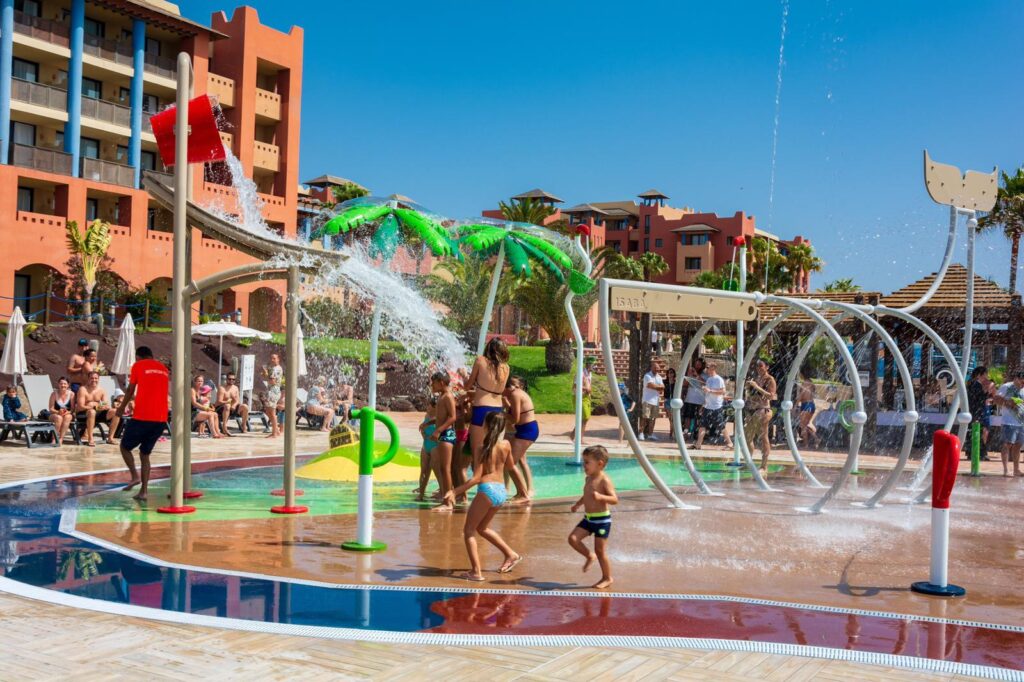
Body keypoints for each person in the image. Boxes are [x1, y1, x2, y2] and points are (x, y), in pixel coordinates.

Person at [443, 410, 523, 581]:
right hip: (501, 491)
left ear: (486, 425)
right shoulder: (506, 445)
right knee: (482, 528)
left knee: (469, 531)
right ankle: (511, 554)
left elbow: (477, 478)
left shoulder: (482, 447)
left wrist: (455, 491)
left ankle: (476, 572)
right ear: (502, 428)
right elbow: (510, 466)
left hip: (487, 490)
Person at [116, 346, 169, 502]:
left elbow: (130, 390)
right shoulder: (163, 369)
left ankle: (134, 476)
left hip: (143, 416)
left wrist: (120, 408)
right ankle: (144, 492)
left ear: (139, 357)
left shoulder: (138, 366)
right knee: (145, 454)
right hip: (160, 419)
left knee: (125, 447)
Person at [568, 445, 619, 590]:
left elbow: (615, 499)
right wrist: (578, 504)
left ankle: (607, 577)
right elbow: (586, 495)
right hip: (589, 518)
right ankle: (589, 556)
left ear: (600, 464)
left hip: (602, 521)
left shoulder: (604, 480)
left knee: (600, 551)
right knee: (573, 539)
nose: (584, 465)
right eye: (584, 462)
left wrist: (601, 496)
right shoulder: (588, 479)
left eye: (587, 462)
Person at [464, 338, 510, 464]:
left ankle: (480, 481)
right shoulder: (506, 368)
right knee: (493, 452)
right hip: (498, 410)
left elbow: (467, 386)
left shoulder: (480, 361)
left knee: (477, 454)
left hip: (481, 408)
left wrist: (463, 375)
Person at [427, 371, 457, 511]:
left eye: (433, 382)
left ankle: (448, 502)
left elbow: (452, 417)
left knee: (445, 468)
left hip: (446, 434)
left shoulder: (448, 397)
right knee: (442, 468)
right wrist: (428, 423)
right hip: (443, 434)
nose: (431, 385)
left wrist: (438, 431)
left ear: (442, 383)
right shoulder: (442, 396)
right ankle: (446, 498)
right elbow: (441, 417)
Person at [504, 376, 537, 503]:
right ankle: (521, 491)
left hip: (527, 430)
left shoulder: (515, 395)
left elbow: (515, 419)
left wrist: (501, 415)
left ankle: (523, 493)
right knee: (512, 461)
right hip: (525, 429)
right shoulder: (516, 393)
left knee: (509, 463)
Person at [747, 359, 777, 471]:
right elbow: (750, 395)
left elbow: (771, 396)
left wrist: (756, 387)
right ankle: (749, 462)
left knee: (763, 437)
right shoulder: (755, 379)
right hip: (752, 409)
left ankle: (764, 466)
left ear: (767, 367)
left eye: (761, 366)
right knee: (748, 436)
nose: (758, 368)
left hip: (763, 410)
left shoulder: (770, 379)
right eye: (757, 366)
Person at [695, 362, 733, 450]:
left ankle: (730, 443)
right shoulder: (709, 379)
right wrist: (703, 405)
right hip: (707, 406)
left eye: (708, 367)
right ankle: (698, 444)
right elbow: (707, 394)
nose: (706, 369)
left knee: (721, 426)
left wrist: (710, 390)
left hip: (716, 407)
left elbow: (723, 392)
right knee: (702, 425)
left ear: (713, 368)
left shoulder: (718, 379)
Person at [994, 370, 1024, 478]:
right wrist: (1008, 403)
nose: (1022, 385)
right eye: (1021, 382)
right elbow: (996, 399)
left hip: (1021, 422)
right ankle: (1006, 470)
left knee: (1018, 445)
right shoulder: (1006, 387)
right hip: (1009, 421)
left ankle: (1016, 469)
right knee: (1007, 444)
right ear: (1016, 378)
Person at [76, 371, 117, 446]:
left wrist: (96, 406)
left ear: (98, 379)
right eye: (92, 378)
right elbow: (80, 406)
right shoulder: (83, 389)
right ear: (88, 379)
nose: (94, 380)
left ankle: (110, 438)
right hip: (84, 414)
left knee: (115, 411)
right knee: (92, 412)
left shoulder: (101, 390)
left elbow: (105, 404)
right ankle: (90, 438)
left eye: (96, 378)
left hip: (97, 413)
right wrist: (94, 407)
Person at [416, 393, 439, 501]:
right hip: (425, 445)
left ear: (435, 407)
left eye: (429, 405)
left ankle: (442, 491)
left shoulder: (440, 418)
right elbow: (423, 429)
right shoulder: (427, 416)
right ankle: (421, 492)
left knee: (437, 470)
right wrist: (423, 434)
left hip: (435, 445)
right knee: (424, 470)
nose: (427, 407)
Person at [191, 375, 225, 439]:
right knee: (210, 415)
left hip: (199, 411)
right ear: (194, 382)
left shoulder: (200, 391)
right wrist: (206, 408)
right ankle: (213, 433)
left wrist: (209, 407)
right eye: (198, 381)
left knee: (215, 414)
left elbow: (205, 402)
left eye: (201, 381)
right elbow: (194, 403)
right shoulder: (192, 390)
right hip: (192, 413)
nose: (200, 382)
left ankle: (218, 432)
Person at [571, 356, 595, 443]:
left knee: (585, 418)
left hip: (586, 397)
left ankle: (573, 435)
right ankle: (579, 439)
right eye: (593, 365)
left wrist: (588, 391)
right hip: (579, 397)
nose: (594, 367)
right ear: (588, 365)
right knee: (584, 417)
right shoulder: (580, 373)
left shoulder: (589, 374)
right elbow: (575, 386)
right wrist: (586, 388)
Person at [966, 366, 989, 459]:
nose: (986, 377)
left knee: (974, 432)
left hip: (974, 412)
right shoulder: (976, 385)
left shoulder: (971, 383)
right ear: (979, 375)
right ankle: (978, 453)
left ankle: (972, 452)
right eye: (985, 375)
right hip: (976, 412)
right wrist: (986, 393)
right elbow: (978, 399)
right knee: (977, 432)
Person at [681, 358, 707, 441]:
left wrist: (696, 375)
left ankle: (696, 434)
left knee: (698, 418)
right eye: (696, 364)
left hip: (700, 400)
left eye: (699, 365)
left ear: (702, 366)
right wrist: (689, 375)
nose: (697, 366)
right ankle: (686, 433)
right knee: (687, 417)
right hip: (689, 399)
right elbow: (685, 385)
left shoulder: (705, 375)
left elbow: (704, 383)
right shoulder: (691, 373)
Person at [639, 359, 664, 441]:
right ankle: (641, 433)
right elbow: (650, 385)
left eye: (658, 368)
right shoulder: (647, 376)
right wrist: (657, 386)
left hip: (655, 401)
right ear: (652, 367)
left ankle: (650, 434)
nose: (657, 369)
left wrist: (656, 386)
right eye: (655, 367)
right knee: (645, 417)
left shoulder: (659, 377)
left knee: (653, 418)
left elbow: (662, 388)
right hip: (647, 400)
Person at [47, 377, 75, 443]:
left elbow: (73, 409)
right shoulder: (54, 394)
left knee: (68, 417)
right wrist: (58, 412)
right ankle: (54, 438)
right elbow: (51, 409)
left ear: (68, 385)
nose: (63, 385)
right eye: (61, 383)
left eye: (65, 384)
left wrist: (68, 412)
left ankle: (61, 438)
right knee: (59, 418)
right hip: (55, 414)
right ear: (58, 384)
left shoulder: (71, 394)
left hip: (67, 414)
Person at [797, 377, 818, 449]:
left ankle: (806, 444)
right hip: (811, 405)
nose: (802, 384)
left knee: (803, 426)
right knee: (807, 424)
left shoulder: (804, 389)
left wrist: (794, 407)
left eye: (804, 383)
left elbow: (799, 398)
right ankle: (815, 439)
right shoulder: (811, 389)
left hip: (806, 405)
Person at [664, 367, 677, 439]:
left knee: (673, 417)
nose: (670, 374)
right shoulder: (665, 382)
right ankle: (672, 431)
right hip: (667, 400)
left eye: (671, 372)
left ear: (674, 374)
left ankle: (672, 432)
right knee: (670, 418)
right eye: (669, 372)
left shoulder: (676, 382)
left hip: (674, 400)